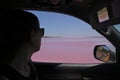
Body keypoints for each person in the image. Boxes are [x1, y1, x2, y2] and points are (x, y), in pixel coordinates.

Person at [0, 9, 44, 80]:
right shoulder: (4, 77)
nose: (42, 35)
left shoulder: (28, 63)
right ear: (32, 35)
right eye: (41, 31)